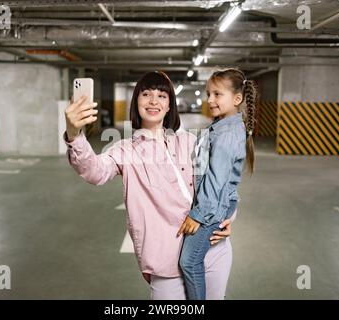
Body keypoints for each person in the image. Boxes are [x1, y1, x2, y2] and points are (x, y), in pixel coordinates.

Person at [64, 71, 233, 299]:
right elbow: (94, 171)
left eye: (162, 95)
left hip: (211, 249)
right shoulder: (125, 151)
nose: (154, 101)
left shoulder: (191, 142)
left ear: (169, 105)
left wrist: (229, 219)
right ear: (137, 102)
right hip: (166, 260)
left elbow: (221, 184)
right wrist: (75, 134)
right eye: (146, 94)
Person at [177, 67, 257, 300]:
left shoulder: (228, 133)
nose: (209, 99)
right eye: (208, 93)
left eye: (217, 94)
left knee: (189, 262)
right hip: (217, 202)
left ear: (237, 98)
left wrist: (198, 214)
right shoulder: (224, 126)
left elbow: (215, 178)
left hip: (213, 206)